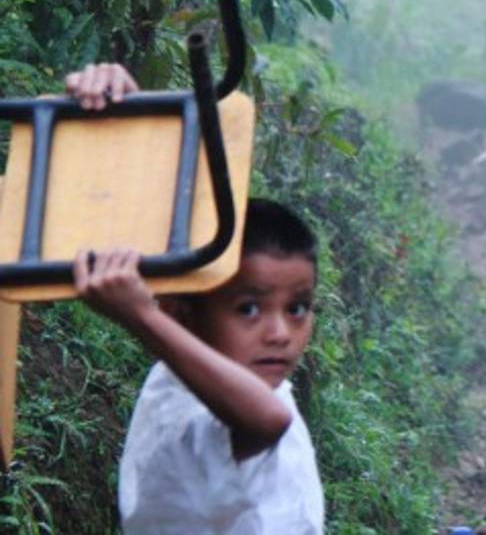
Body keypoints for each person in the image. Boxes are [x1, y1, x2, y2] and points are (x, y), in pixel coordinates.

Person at [65, 63, 324, 533]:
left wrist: (126, 112)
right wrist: (140, 315)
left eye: (298, 307)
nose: (280, 333)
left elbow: (168, 235)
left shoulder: (243, 380)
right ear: (178, 313)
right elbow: (266, 420)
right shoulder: (204, 412)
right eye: (248, 308)